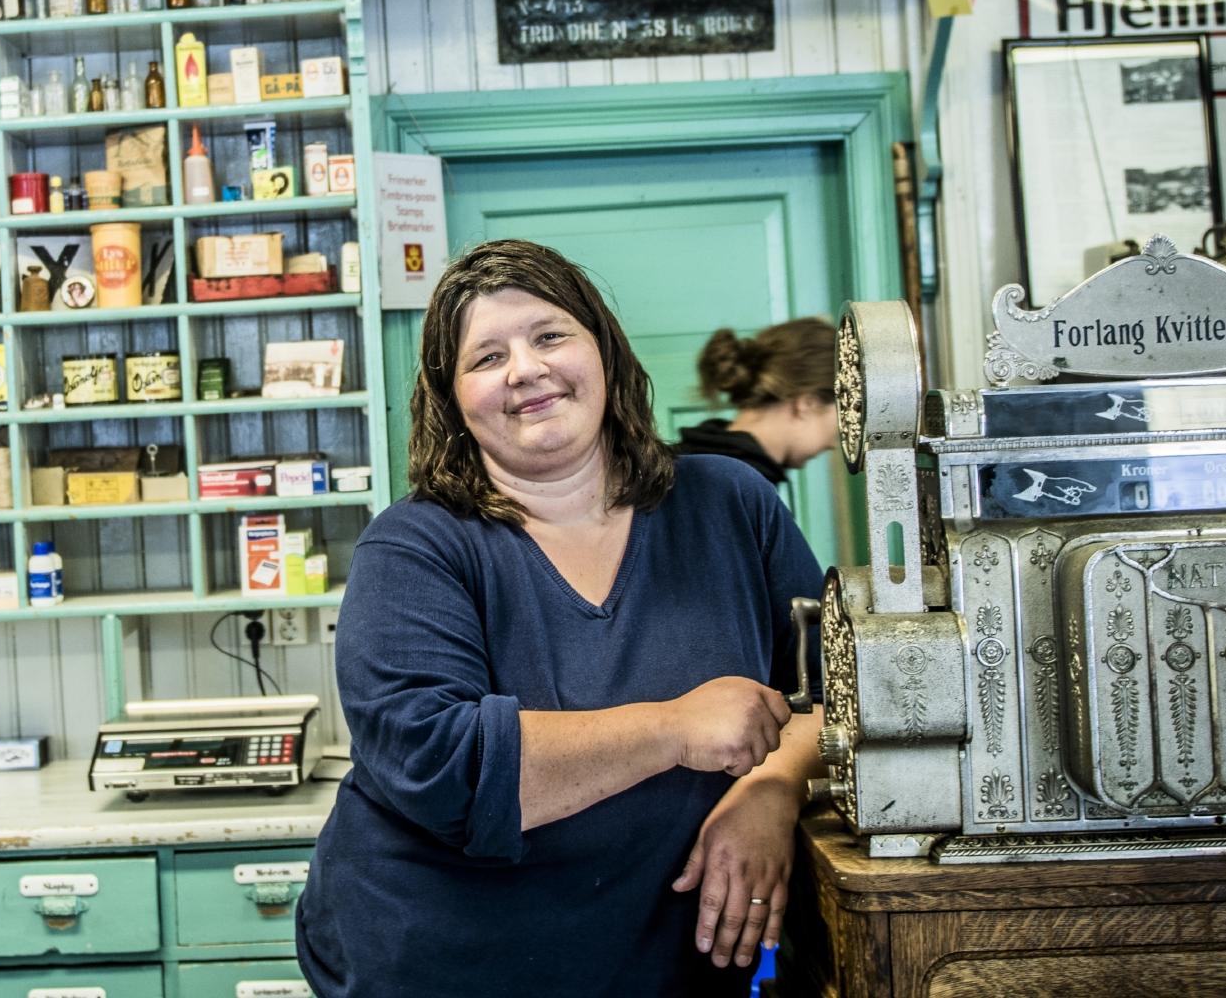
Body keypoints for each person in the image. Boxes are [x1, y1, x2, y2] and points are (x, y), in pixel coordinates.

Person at [295, 240, 826, 996]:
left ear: (603, 350)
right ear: (451, 399)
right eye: (486, 358)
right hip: (450, 962)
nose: (524, 369)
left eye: (549, 336)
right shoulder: (414, 546)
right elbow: (442, 767)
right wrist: (677, 728)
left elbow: (836, 699)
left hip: (666, 961)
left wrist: (773, 788)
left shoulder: (731, 504)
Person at [678, 318, 839, 497]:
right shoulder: (735, 486)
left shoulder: (694, 464)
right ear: (808, 403)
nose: (832, 444)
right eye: (843, 418)